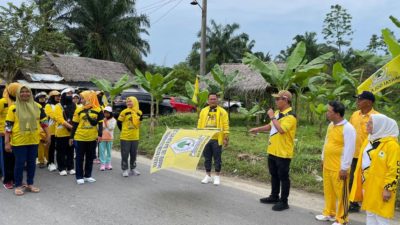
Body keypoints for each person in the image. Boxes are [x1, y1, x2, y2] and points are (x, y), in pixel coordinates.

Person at [249, 90, 297, 211]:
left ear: (285, 100)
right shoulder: (277, 113)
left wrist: (271, 116)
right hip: (272, 150)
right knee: (274, 175)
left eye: (278, 99)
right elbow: (271, 126)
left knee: (283, 177)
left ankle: (284, 201)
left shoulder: (291, 116)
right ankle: (274, 196)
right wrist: (258, 129)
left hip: (283, 152)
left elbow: (281, 129)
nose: (276, 101)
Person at [350, 114, 399, 225]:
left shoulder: (392, 145)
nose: (367, 124)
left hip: (381, 186)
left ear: (380, 126)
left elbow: (394, 169)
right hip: (366, 183)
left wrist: (388, 188)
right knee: (370, 213)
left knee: (381, 217)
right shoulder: (369, 140)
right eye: (368, 122)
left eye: (371, 123)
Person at [315, 101, 356, 225]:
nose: (327, 113)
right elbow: (327, 143)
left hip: (339, 168)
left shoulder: (348, 128)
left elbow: (350, 149)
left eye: (329, 111)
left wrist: (344, 168)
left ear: (337, 114)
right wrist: (323, 158)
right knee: (329, 192)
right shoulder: (331, 125)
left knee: (342, 194)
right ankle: (329, 213)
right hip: (328, 165)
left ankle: (342, 219)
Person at [5, 85, 50, 196]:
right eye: (22, 92)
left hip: (34, 140)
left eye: (27, 92)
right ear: (18, 94)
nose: (25, 94)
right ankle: (18, 185)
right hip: (19, 141)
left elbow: (44, 122)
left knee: (31, 164)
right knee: (19, 164)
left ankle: (30, 183)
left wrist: (48, 135)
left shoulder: (38, 107)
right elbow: (8, 126)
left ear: (31, 93)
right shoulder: (13, 108)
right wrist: (7, 142)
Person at [348, 91, 379, 212]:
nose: (358, 102)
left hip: (368, 155)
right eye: (358, 99)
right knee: (352, 179)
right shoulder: (355, 114)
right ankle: (353, 202)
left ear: (369, 102)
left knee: (367, 180)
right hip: (354, 153)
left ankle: (369, 202)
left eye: (360, 99)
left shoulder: (376, 117)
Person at [70, 90, 103, 184]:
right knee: (80, 158)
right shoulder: (79, 110)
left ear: (89, 98)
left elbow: (100, 124)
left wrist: (100, 135)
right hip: (80, 137)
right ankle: (79, 177)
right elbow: (75, 124)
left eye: (83, 98)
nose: (81, 99)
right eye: (81, 98)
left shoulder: (98, 109)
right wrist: (71, 137)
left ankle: (88, 175)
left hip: (92, 138)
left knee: (89, 157)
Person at [197, 93, 229, 186]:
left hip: (217, 139)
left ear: (217, 100)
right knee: (207, 158)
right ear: (208, 100)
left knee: (217, 158)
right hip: (206, 138)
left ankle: (217, 176)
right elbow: (199, 124)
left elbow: (226, 125)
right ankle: (208, 175)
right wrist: (199, 135)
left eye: (214, 99)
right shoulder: (203, 111)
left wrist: (226, 137)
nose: (213, 100)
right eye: (211, 99)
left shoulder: (223, 112)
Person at [0, 83, 22, 189]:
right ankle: (7, 179)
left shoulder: (22, 103)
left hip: (19, 134)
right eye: (18, 90)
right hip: (5, 134)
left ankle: (16, 179)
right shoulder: (2, 102)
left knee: (17, 158)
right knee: (7, 158)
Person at [117, 96, 142, 177]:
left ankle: (133, 168)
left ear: (135, 102)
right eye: (127, 102)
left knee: (134, 154)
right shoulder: (124, 112)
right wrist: (123, 131)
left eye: (130, 101)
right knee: (125, 154)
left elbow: (139, 123)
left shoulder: (139, 112)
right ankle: (124, 169)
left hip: (135, 137)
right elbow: (119, 122)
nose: (128, 103)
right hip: (125, 137)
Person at [54, 88, 76, 176]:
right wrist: (71, 127)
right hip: (61, 133)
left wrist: (74, 128)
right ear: (63, 95)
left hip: (71, 133)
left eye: (71, 93)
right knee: (61, 151)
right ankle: (61, 168)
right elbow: (59, 119)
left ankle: (70, 167)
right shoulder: (58, 106)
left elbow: (76, 116)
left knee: (70, 150)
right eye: (68, 93)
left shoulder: (74, 105)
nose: (70, 95)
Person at [45, 90, 61, 172]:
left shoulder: (60, 105)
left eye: (59, 96)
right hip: (51, 130)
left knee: (59, 148)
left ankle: (59, 162)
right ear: (52, 97)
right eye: (56, 96)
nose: (58, 97)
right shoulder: (48, 105)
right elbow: (51, 115)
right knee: (51, 147)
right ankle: (50, 163)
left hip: (59, 130)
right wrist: (60, 118)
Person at [34, 92, 49, 168]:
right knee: (41, 146)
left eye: (43, 98)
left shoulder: (47, 106)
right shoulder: (35, 107)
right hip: (39, 128)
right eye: (40, 98)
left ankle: (48, 159)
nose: (42, 99)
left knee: (47, 145)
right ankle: (41, 161)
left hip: (47, 128)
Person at [99, 106, 116, 171]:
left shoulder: (113, 120)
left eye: (107, 113)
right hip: (102, 137)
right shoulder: (101, 119)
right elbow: (100, 127)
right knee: (102, 151)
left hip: (110, 138)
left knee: (109, 151)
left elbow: (111, 127)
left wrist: (105, 123)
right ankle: (102, 164)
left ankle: (108, 164)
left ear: (110, 113)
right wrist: (104, 125)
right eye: (105, 112)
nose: (106, 114)